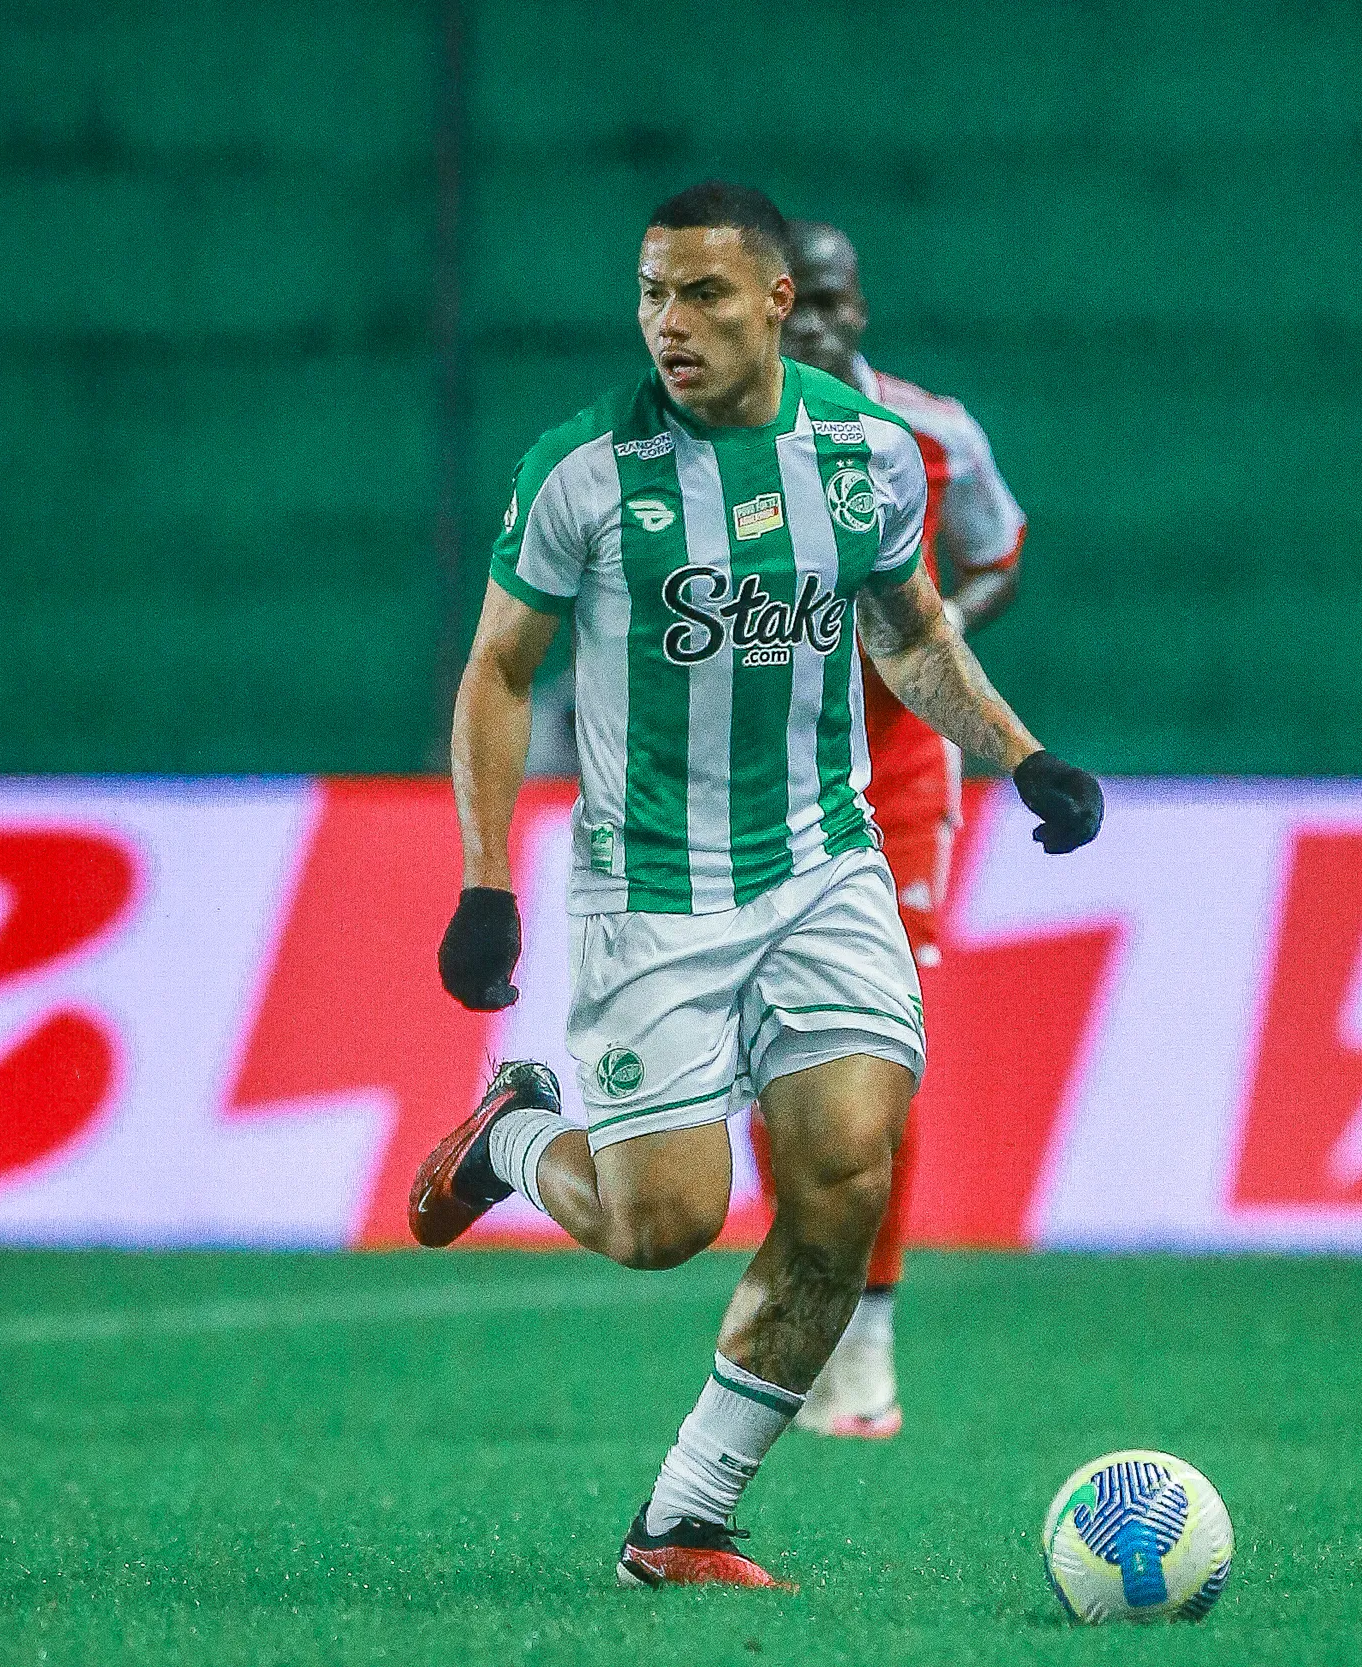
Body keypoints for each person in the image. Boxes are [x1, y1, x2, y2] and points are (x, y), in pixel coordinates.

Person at [409, 180, 1103, 1591]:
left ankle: (686, 1519)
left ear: (778, 304)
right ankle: (510, 1140)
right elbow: (498, 668)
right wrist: (486, 882)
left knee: (845, 1171)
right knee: (658, 1222)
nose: (672, 322)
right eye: (655, 293)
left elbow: (911, 633)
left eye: (706, 294)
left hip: (820, 862)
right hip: (652, 886)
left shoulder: (871, 454)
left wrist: (1022, 754)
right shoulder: (582, 470)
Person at [763, 219, 1030, 1440]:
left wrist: (931, 638)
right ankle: (799, 1307)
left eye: (832, 300)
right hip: (754, 785)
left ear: (859, 308)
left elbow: (999, 551)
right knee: (776, 1063)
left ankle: (864, 1339)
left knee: (880, 1051)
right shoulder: (710, 449)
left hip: (897, 780)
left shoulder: (934, 435)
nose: (813, 321)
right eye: (791, 302)